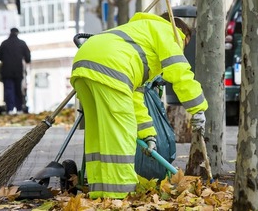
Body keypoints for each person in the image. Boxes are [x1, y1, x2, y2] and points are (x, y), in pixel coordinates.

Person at [70, 12, 208, 199]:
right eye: (184, 43)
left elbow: (136, 98)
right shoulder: (168, 31)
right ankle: (119, 197)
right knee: (121, 135)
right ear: (182, 34)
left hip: (83, 61)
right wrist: (197, 107)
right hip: (113, 66)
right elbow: (179, 71)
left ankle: (100, 195)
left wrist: (147, 134)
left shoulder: (140, 31)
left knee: (98, 134)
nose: (182, 47)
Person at [0, 27, 31, 115]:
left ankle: (10, 109)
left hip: (6, 71)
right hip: (18, 71)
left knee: (9, 90)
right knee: (18, 90)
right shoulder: (22, 43)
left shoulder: (4, 43)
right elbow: (28, 57)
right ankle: (19, 108)